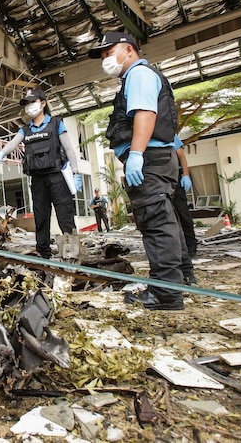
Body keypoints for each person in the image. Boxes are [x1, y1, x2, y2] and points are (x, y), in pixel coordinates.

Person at [89, 31, 188, 310]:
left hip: (149, 159)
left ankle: (167, 294)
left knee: (156, 224)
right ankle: (173, 283)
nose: (106, 60)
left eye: (110, 53)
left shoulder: (140, 74)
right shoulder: (133, 77)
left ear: (129, 50)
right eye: (103, 56)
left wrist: (136, 155)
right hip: (155, 159)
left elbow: (145, 113)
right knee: (165, 223)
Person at [0, 87, 82, 259]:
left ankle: (71, 255)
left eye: (33, 102)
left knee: (65, 216)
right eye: (27, 103)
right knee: (41, 217)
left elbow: (69, 149)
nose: (30, 106)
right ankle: (43, 252)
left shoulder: (56, 123)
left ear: (43, 103)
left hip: (57, 177)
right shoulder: (25, 130)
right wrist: (1, 153)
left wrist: (76, 172)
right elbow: (13, 143)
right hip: (38, 180)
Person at [173, 135, 197, 258]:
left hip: (176, 176)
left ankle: (191, 245)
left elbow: (181, 155)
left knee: (182, 212)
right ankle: (175, 248)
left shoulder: (167, 131)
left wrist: (185, 174)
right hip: (159, 178)